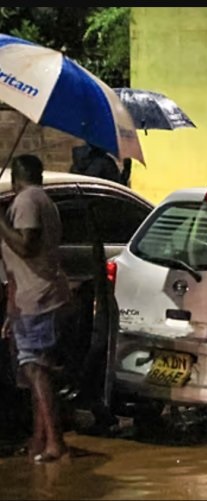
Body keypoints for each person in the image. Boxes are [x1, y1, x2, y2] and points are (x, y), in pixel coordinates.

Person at [0, 154, 71, 462]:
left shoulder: (28, 200)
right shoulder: (44, 201)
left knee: (36, 370)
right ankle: (40, 440)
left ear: (16, 179)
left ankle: (55, 441)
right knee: (36, 371)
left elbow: (27, 246)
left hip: (38, 300)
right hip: (32, 298)